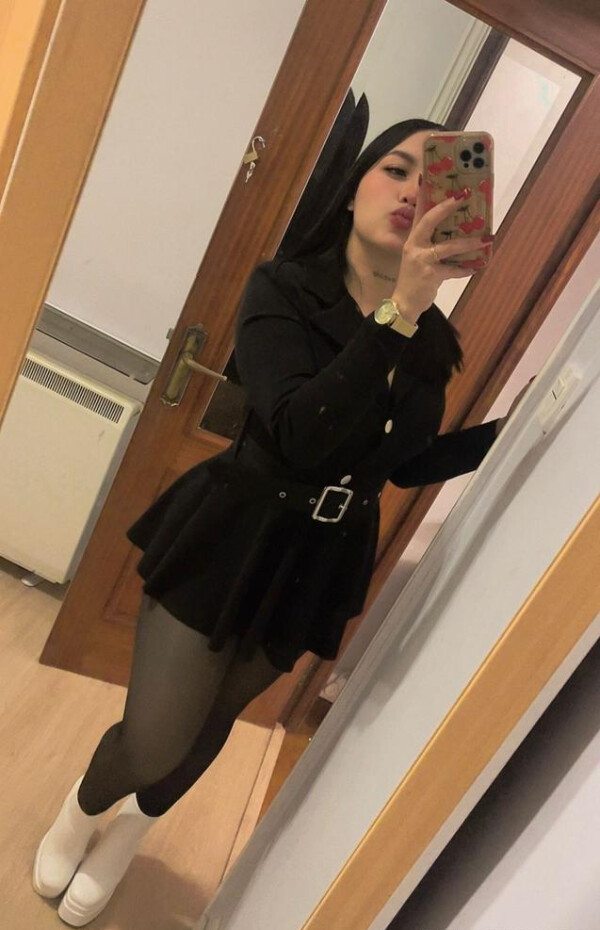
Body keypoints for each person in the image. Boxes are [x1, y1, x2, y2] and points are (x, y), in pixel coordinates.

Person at [32, 118, 524, 925]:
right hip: (232, 533)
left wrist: (517, 427)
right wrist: (399, 310)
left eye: (433, 178)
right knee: (156, 736)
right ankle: (81, 811)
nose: (414, 190)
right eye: (397, 168)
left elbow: (402, 464)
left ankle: (129, 835)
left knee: (212, 721)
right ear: (356, 188)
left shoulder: (433, 340)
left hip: (322, 557)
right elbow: (297, 431)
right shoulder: (285, 290)